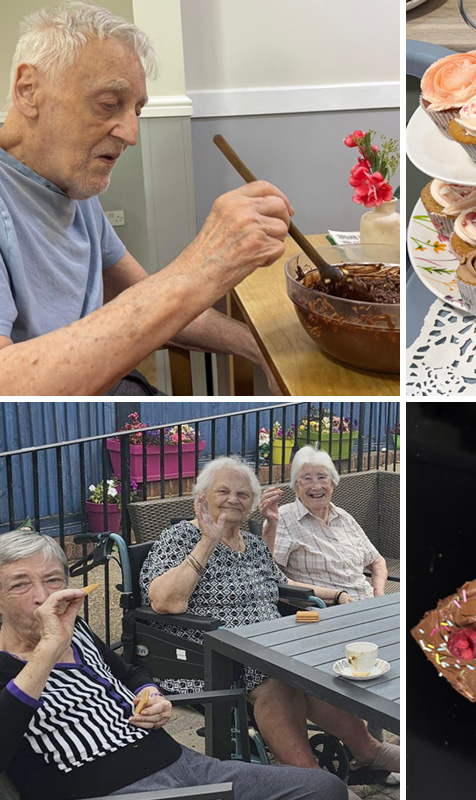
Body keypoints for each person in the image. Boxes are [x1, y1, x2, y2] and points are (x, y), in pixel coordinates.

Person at [0, 2, 288, 395]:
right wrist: (200, 266)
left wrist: (260, 348)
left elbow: (143, 296)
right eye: (108, 104)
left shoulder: (73, 184)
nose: (131, 134)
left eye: (136, 109)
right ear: (28, 90)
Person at [0, 529, 352, 800]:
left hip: (185, 764)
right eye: (20, 584)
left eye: (52, 580)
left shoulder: (77, 630)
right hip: (110, 790)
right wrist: (48, 648)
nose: (43, 596)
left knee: (322, 788)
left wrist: (151, 694)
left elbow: (129, 671)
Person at [139, 457, 399, 775]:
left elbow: (279, 586)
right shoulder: (181, 537)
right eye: (223, 491)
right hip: (207, 654)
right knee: (276, 679)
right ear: (202, 497)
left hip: (269, 643)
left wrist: (334, 598)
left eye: (243, 494)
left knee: (320, 670)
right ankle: (312, 778)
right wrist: (209, 539)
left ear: (250, 506)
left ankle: (369, 750)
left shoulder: (251, 543)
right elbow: (165, 602)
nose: (233, 498)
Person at [259, 446, 389, 601]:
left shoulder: (343, 517)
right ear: (295, 487)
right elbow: (265, 571)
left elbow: (376, 560)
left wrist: (379, 593)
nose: (316, 486)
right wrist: (270, 526)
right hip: (326, 609)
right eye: (307, 479)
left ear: (332, 484)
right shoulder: (283, 519)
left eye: (322, 477)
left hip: (368, 603)